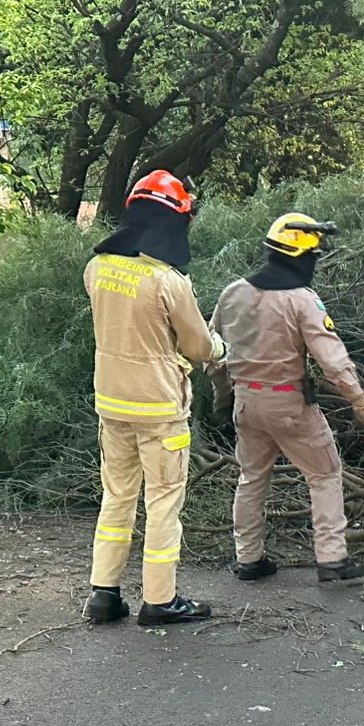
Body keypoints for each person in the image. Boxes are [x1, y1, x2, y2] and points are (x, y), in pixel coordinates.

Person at [83, 169, 225, 626]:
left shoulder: (97, 268)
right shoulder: (168, 281)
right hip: (160, 409)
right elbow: (198, 347)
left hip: (112, 402)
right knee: (163, 502)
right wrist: (221, 348)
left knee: (117, 497)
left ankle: (103, 595)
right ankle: (160, 601)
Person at [209, 212, 364, 583]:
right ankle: (332, 559)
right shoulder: (302, 300)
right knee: (325, 472)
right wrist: (360, 402)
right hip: (288, 405)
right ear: (300, 256)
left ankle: (249, 559)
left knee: (251, 477)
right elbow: (333, 361)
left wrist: (223, 396)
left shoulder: (232, 293)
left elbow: (212, 353)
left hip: (245, 401)